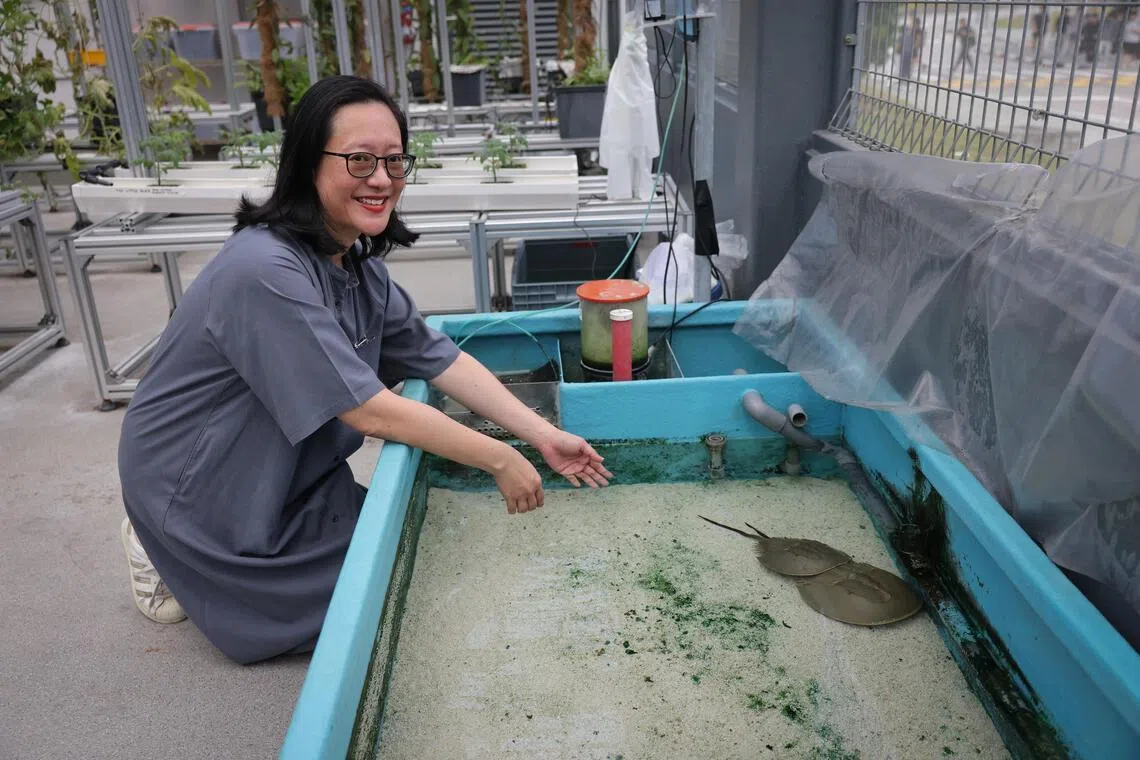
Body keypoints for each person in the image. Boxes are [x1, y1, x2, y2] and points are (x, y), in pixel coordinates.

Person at [116, 75, 613, 665]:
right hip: (202, 489)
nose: (380, 178)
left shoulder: (355, 264)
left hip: (284, 474)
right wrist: (501, 458)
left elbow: (438, 356)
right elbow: (369, 411)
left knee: (412, 562)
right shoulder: (263, 270)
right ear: (308, 163)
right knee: (379, 604)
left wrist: (543, 435)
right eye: (359, 160)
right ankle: (156, 541)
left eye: (394, 161)